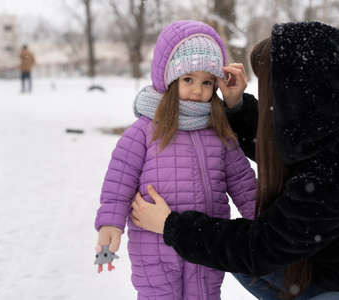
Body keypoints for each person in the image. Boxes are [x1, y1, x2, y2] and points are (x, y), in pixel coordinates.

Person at [132, 21, 339, 300]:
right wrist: (237, 108)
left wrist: (171, 226)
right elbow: (287, 143)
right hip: (336, 263)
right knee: (232, 254)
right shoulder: (336, 118)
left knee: (240, 252)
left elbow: (259, 248)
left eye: (270, 87)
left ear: (297, 92)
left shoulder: (337, 179)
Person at [94, 20, 257, 300]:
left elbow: (243, 182)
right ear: (168, 80)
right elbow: (119, 180)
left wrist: (261, 219)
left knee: (205, 294)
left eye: (207, 82)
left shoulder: (219, 131)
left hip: (205, 241)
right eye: (188, 80)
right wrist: (110, 224)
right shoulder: (145, 131)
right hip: (153, 244)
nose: (198, 90)